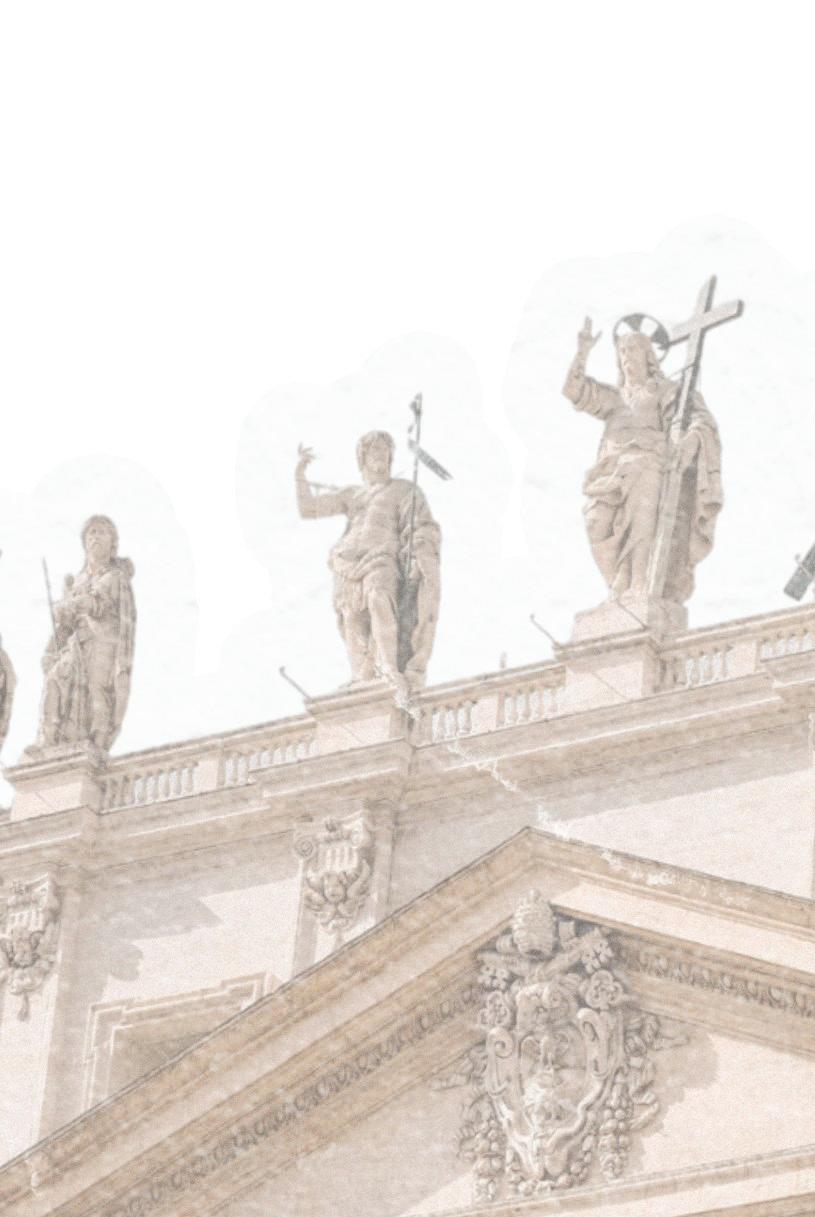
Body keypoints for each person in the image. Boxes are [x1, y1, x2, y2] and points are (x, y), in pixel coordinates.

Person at [562, 319, 722, 605]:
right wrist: (582, 352)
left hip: (650, 463)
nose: (627, 357)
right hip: (611, 470)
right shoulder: (615, 398)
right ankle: (619, 581)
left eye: (633, 349)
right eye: (622, 352)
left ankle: (638, 582)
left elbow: (699, 419)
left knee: (642, 503)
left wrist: (690, 441)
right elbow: (575, 392)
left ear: (648, 356)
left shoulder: (664, 390)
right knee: (595, 522)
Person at [295, 431, 441, 694]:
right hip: (346, 561)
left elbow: (422, 526)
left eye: (384, 451)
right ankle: (361, 676)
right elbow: (308, 509)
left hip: (382, 557)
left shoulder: (403, 490)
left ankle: (387, 668)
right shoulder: (352, 495)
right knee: (351, 616)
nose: (380, 455)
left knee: (378, 600)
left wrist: (419, 549)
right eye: (374, 451)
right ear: (362, 458)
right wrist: (300, 474)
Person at [36, 515, 136, 752]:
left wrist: (74, 604)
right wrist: (61, 614)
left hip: (103, 643)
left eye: (101, 532)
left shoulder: (115, 577)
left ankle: (96, 742)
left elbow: (99, 605)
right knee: (54, 679)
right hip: (76, 644)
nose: (95, 537)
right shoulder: (78, 580)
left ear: (112, 542)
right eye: (91, 533)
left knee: (96, 690)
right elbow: (65, 624)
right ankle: (48, 740)